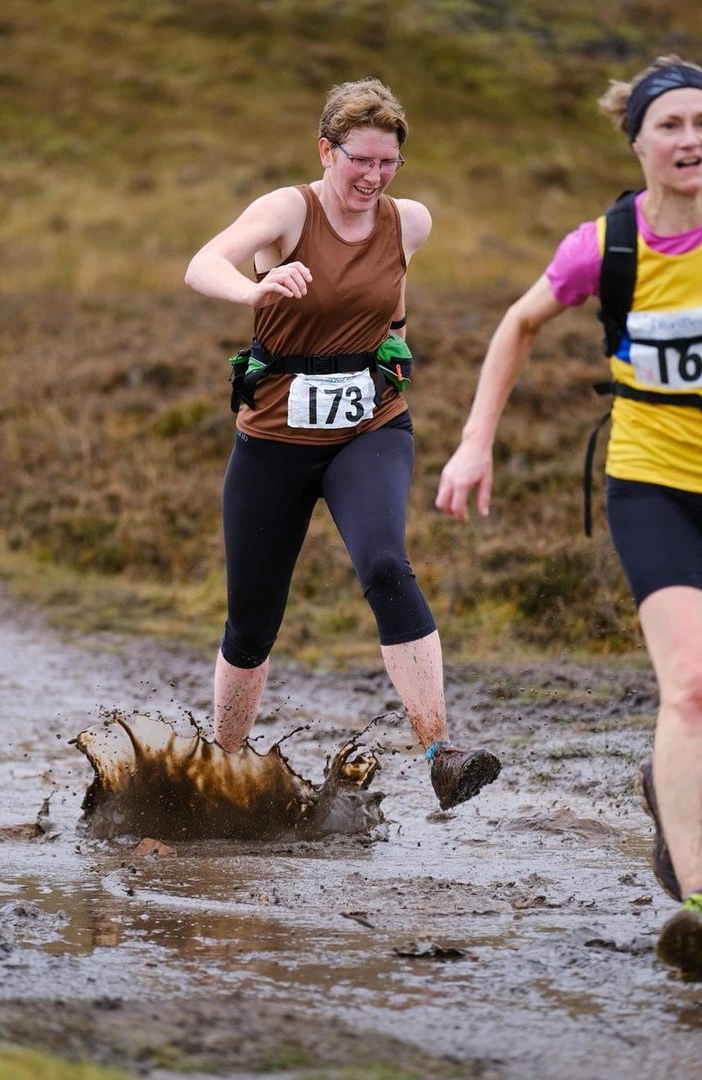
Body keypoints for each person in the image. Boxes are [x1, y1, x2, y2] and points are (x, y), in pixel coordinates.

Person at [436, 55, 702, 977]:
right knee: (691, 687)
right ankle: (700, 902)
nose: (691, 138)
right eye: (670, 124)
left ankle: (673, 796)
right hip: (652, 480)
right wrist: (477, 441)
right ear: (636, 138)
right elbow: (517, 323)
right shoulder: (604, 246)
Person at [185, 77, 501, 812]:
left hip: (370, 425)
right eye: (360, 160)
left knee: (387, 563)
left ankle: (442, 752)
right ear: (326, 151)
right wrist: (255, 292)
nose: (373, 177)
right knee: (252, 619)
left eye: (388, 163)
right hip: (274, 437)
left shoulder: (409, 222)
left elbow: (381, 304)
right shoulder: (286, 211)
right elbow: (202, 265)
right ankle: (223, 772)